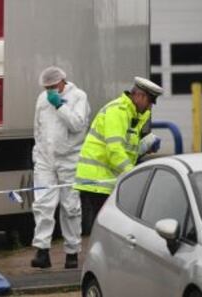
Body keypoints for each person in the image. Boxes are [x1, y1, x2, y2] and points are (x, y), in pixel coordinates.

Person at [74, 76, 164, 234]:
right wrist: (133, 174)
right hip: (98, 182)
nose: (150, 107)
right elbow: (114, 150)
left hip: (108, 179)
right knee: (108, 231)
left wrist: (145, 145)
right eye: (150, 101)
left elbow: (127, 149)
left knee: (111, 230)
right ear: (140, 96)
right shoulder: (118, 111)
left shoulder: (134, 114)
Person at [29, 67, 91, 270]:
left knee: (70, 207)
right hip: (46, 160)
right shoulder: (42, 99)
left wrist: (60, 107)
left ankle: (72, 253)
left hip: (70, 159)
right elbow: (37, 129)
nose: (49, 91)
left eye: (52, 87)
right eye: (46, 88)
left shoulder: (78, 96)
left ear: (63, 81)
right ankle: (42, 251)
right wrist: (38, 155)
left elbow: (77, 125)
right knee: (43, 205)